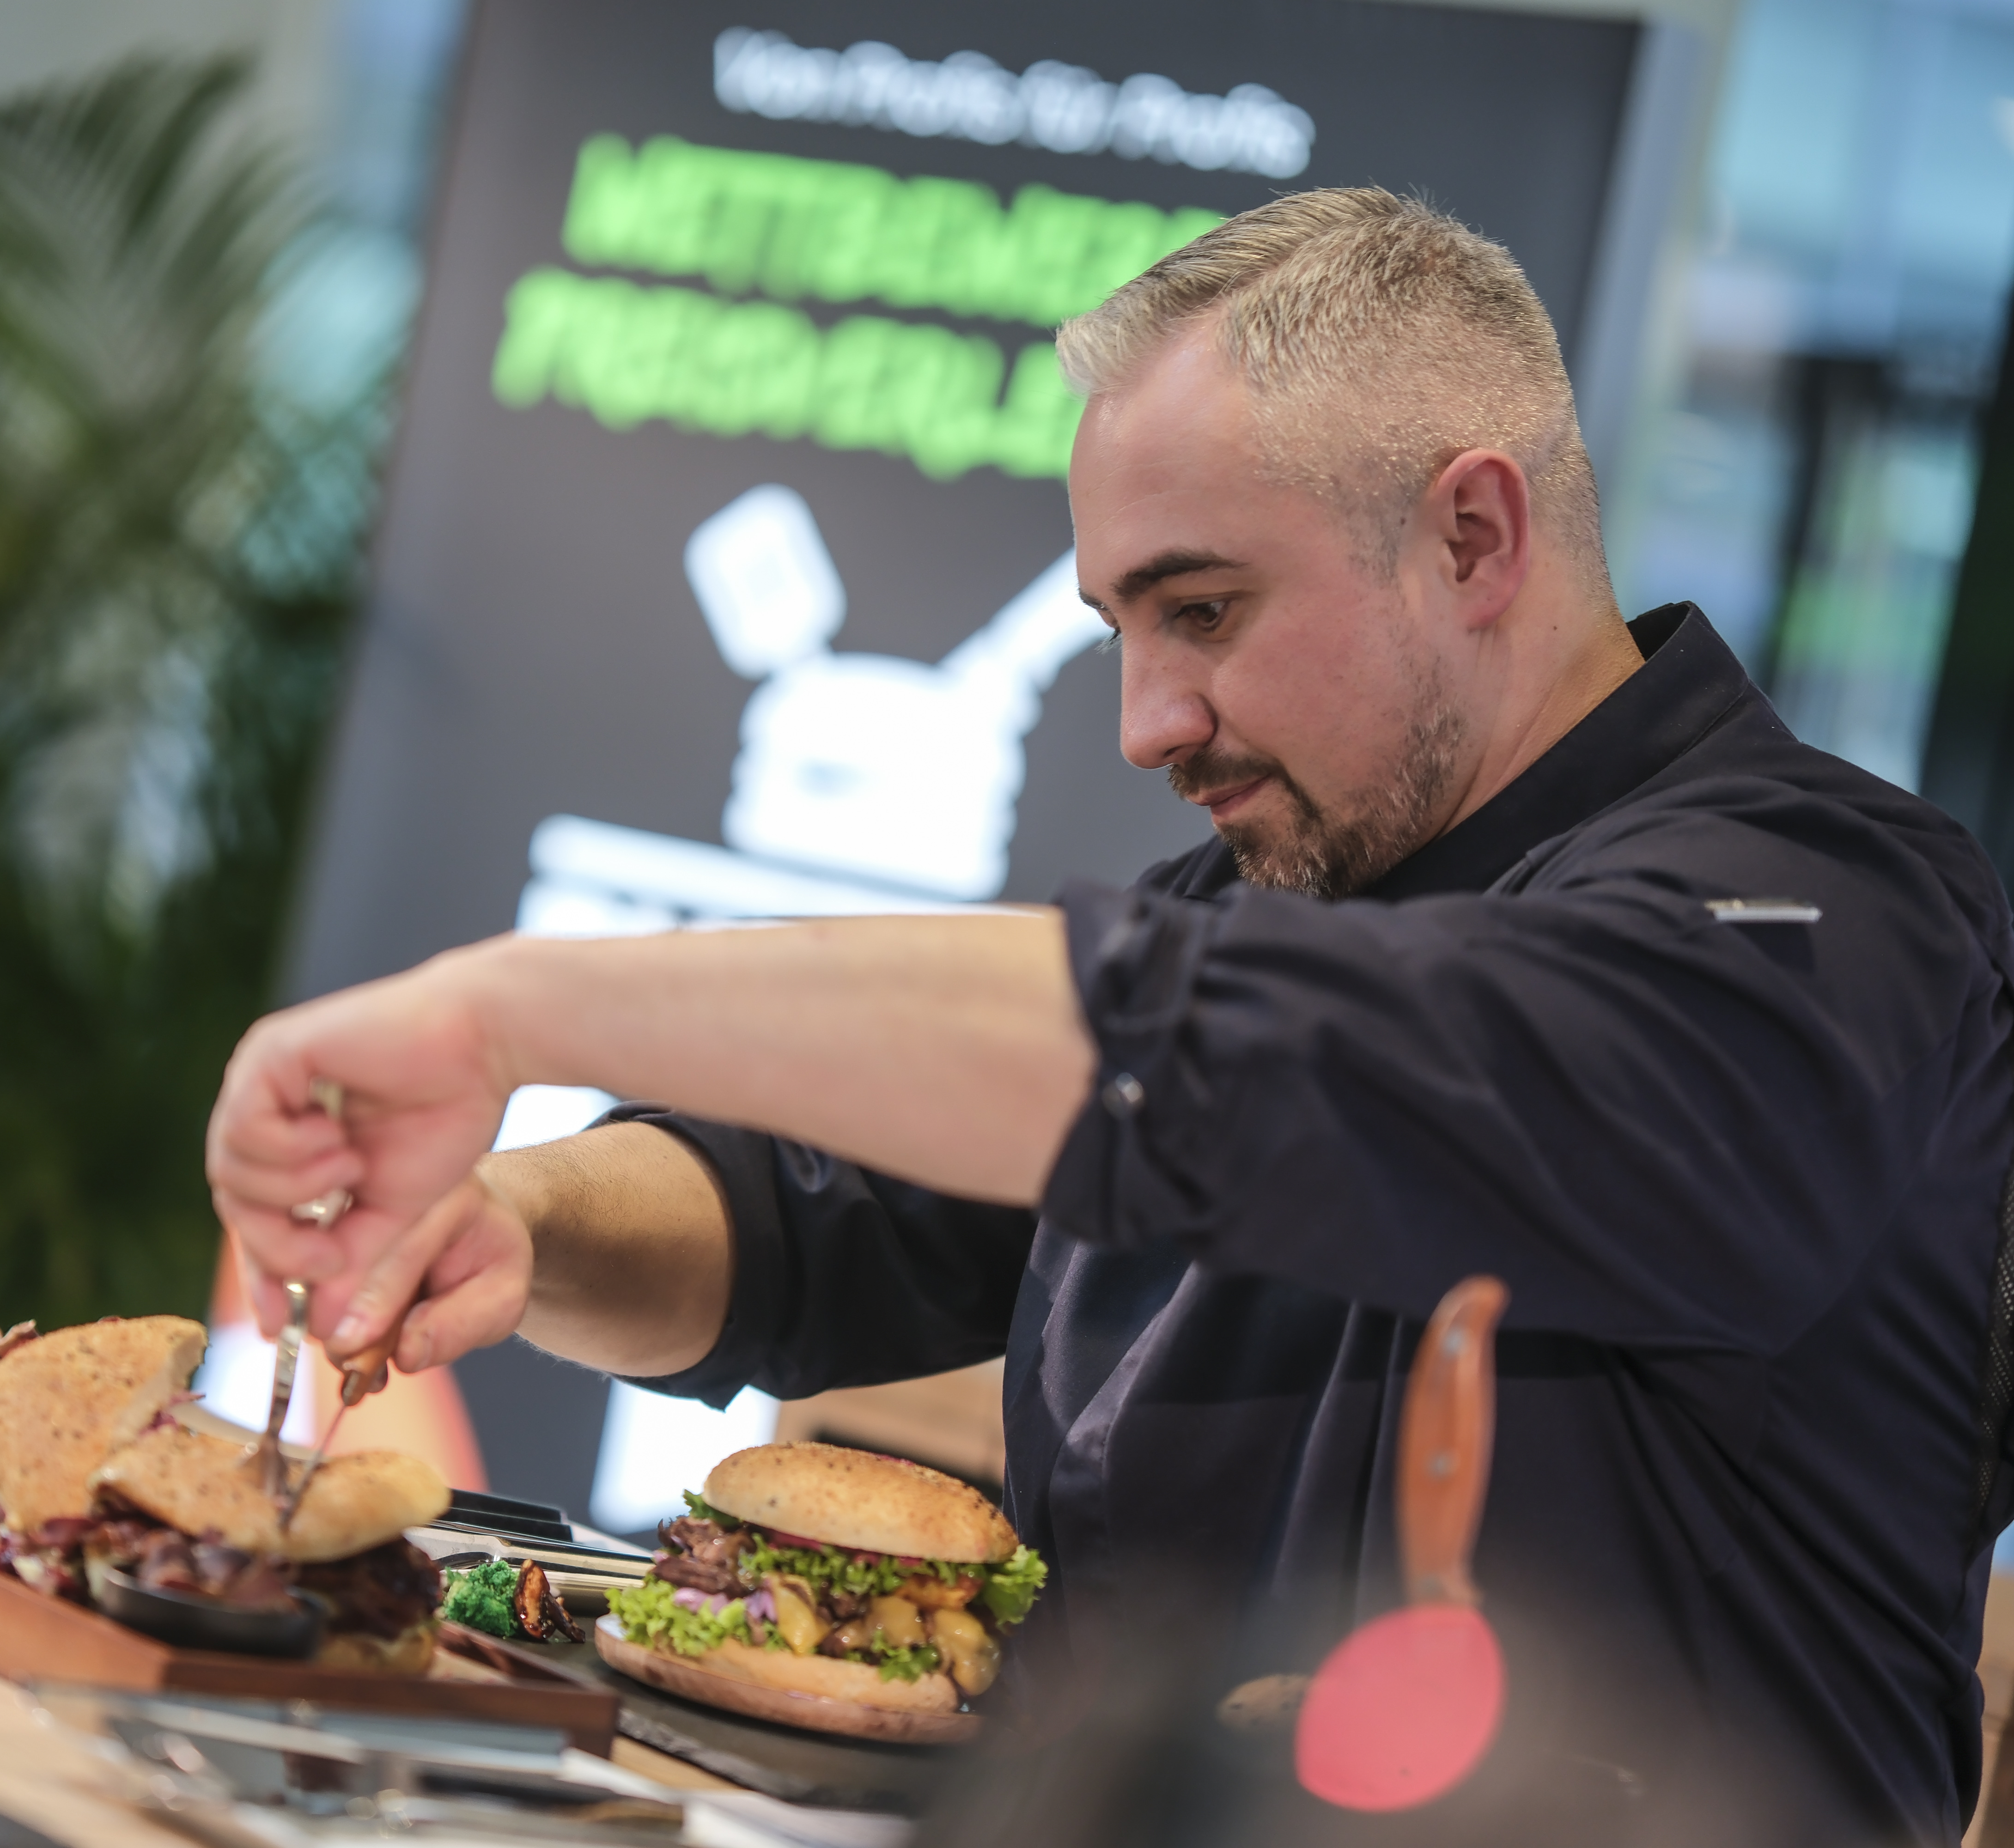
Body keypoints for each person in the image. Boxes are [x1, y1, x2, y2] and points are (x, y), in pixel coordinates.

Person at [206, 188, 2014, 1842]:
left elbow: (1241, 1054)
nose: (1150, 723)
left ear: (1472, 535)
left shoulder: (1822, 921)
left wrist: (518, 1008)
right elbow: (810, 1212)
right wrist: (511, 1219)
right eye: (1119, 633)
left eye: (1204, 610)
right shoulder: (1254, 904)